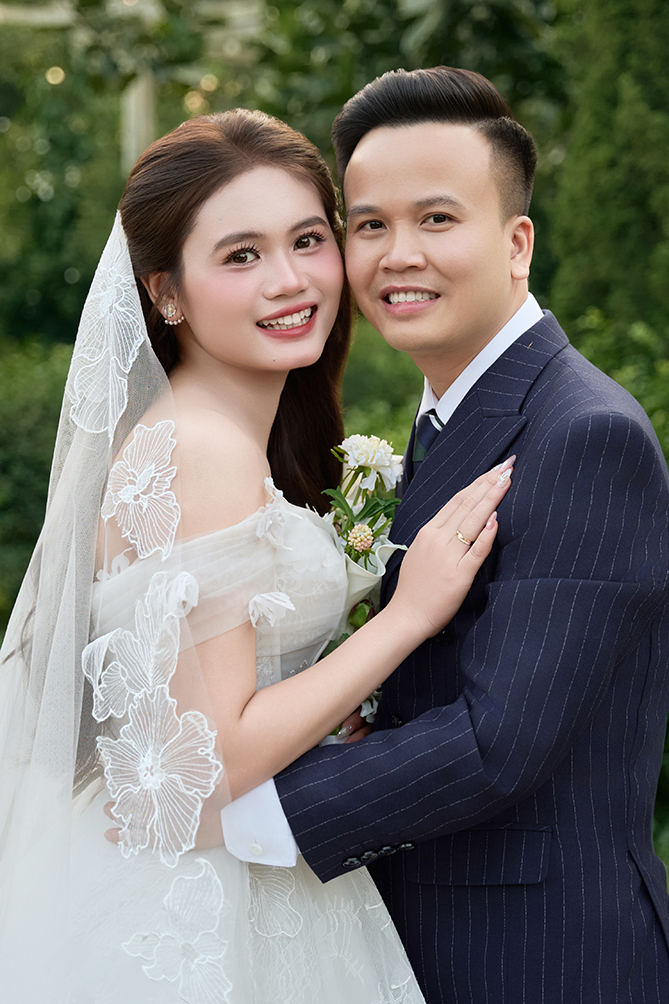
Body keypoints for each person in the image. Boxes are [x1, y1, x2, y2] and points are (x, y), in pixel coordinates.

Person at [0, 108, 511, 1003]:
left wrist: (325, 712)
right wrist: (404, 618)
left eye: (307, 240)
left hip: (254, 870)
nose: (289, 281)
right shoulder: (198, 449)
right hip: (202, 909)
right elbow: (197, 776)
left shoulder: (227, 436)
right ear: (165, 292)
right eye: (241, 255)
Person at [222, 69, 669, 1002]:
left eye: (436, 219)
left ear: (516, 242)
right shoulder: (451, 413)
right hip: (440, 937)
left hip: (538, 957)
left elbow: (495, 742)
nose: (397, 256)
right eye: (369, 225)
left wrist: (240, 815)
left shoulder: (585, 435)